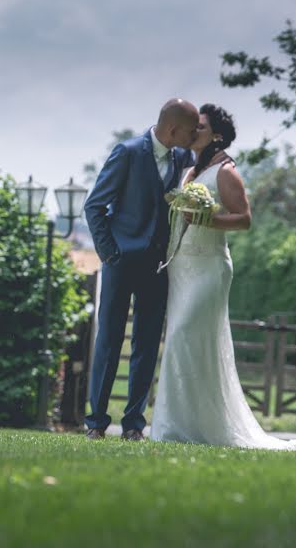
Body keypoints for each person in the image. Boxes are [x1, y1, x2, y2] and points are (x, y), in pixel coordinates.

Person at [151, 104, 296, 452]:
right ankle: (181, 425)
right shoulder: (188, 170)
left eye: (199, 127)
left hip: (209, 269)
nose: (192, 131)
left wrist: (207, 220)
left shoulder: (225, 172)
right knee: (182, 343)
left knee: (185, 335)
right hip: (182, 268)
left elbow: (244, 219)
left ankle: (183, 428)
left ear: (216, 134)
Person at [82, 99, 198, 440]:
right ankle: (96, 423)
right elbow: (94, 205)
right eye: (190, 131)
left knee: (147, 344)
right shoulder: (128, 152)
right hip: (121, 262)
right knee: (109, 341)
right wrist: (110, 254)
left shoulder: (182, 158)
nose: (193, 137)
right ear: (173, 129)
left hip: (159, 265)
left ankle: (134, 424)